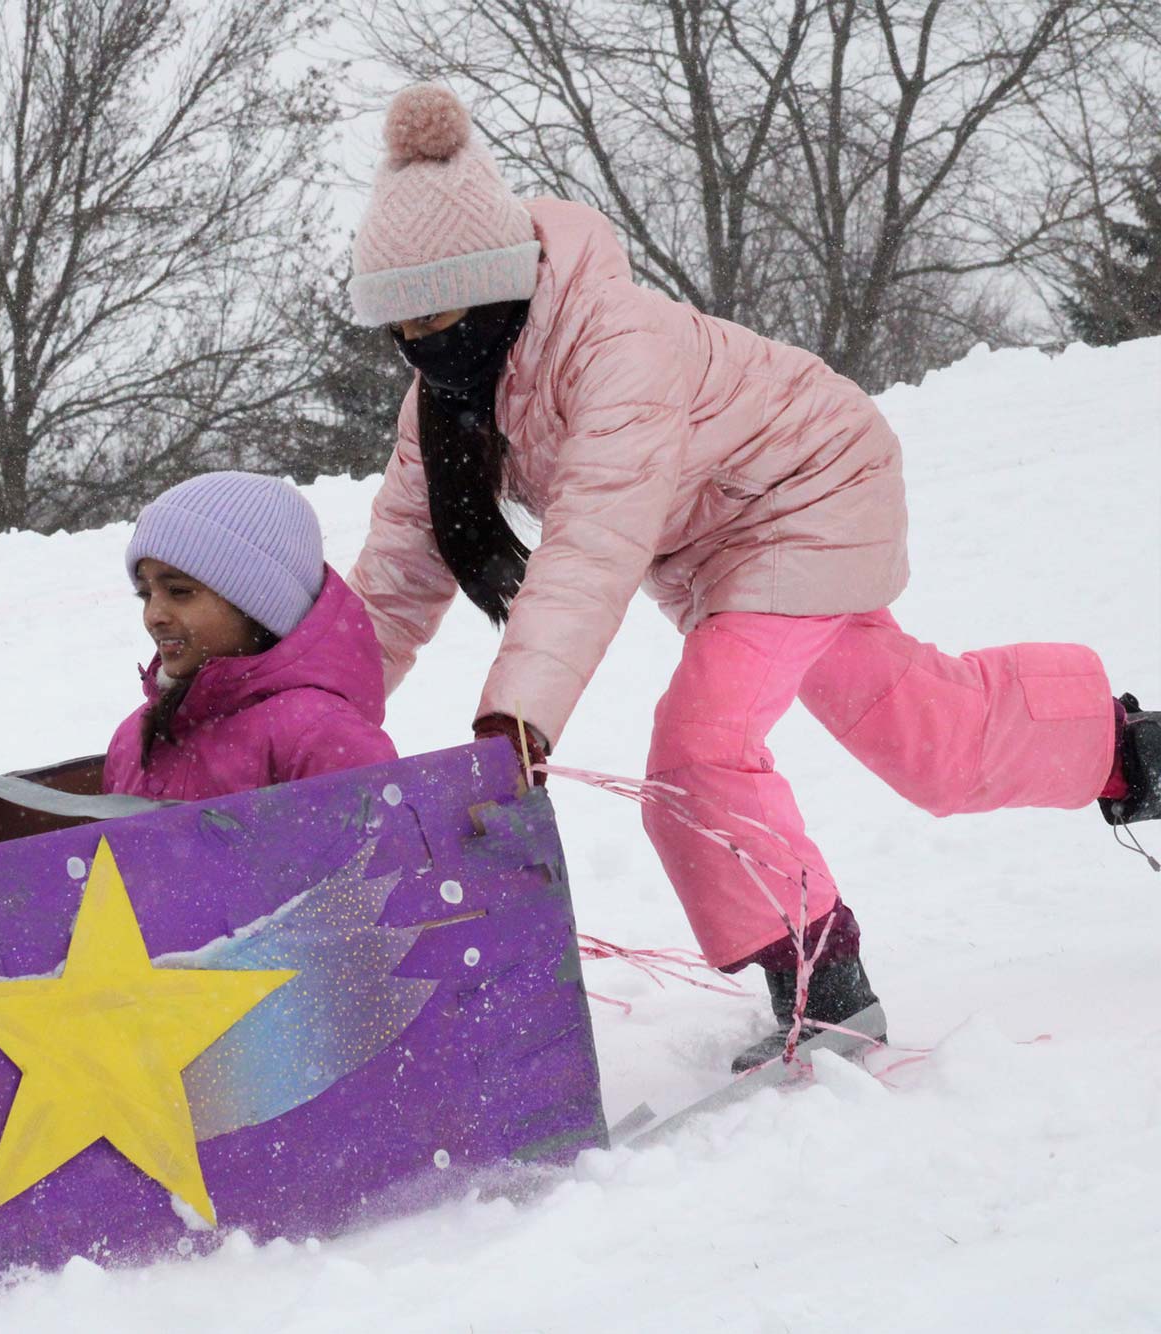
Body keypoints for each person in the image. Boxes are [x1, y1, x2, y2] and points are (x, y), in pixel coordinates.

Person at [340, 84, 1160, 1070]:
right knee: (929, 743)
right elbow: (393, 572)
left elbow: (591, 548)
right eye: (400, 324)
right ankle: (1129, 751)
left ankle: (820, 980)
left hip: (807, 489)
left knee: (697, 752)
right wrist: (307, 706)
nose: (422, 345)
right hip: (724, 540)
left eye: (439, 314)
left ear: (498, 283)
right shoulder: (446, 396)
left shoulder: (613, 349)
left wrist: (513, 723)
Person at [103, 472, 398, 801]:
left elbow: (376, 847)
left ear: (258, 603)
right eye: (145, 594)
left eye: (179, 591)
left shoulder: (320, 736)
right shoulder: (134, 738)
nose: (153, 615)